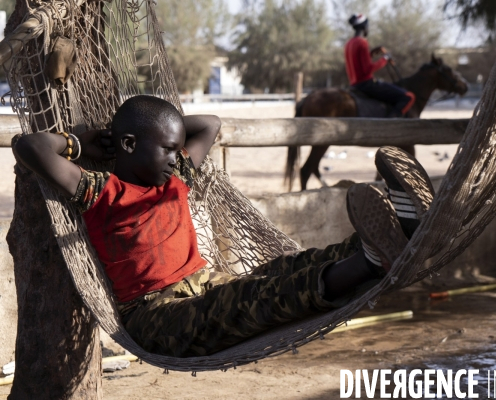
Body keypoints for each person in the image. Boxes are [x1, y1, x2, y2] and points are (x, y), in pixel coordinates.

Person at [12, 95, 431, 357]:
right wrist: (82, 143)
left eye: (179, 150)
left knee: (288, 267)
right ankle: (372, 263)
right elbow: (28, 146)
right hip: (157, 316)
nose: (178, 157)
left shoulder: (177, 180)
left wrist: (158, 136)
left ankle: (403, 230)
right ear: (127, 147)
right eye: (168, 150)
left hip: (210, 282)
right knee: (258, 295)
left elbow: (208, 123)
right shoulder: (102, 191)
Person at [345, 13, 416, 117]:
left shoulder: (349, 43)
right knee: (409, 97)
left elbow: (358, 63)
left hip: (354, 84)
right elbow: (368, 69)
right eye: (368, 26)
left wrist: (371, 54)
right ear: (365, 27)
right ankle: (391, 123)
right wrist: (385, 59)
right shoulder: (363, 42)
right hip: (367, 84)